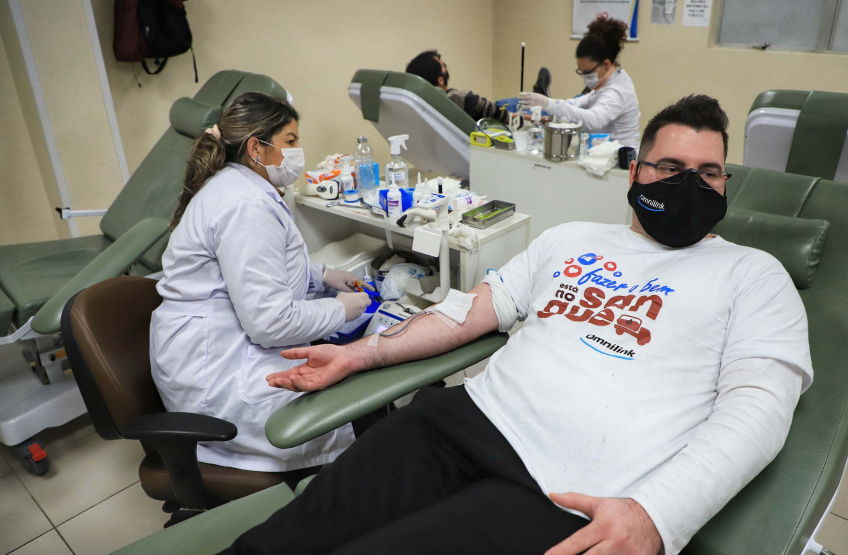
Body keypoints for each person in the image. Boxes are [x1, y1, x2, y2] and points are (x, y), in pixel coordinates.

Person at [222, 95, 811, 554]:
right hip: (460, 422)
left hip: (565, 490)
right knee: (284, 539)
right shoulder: (573, 237)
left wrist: (657, 515)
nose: (691, 183)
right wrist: (364, 353)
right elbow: (470, 309)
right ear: (634, 174)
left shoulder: (753, 275)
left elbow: (758, 411)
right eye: (671, 167)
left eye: (709, 172)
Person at [150, 92, 373, 477]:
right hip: (216, 375)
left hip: (214, 346)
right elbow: (270, 323)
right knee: (354, 393)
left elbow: (258, 273)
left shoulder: (239, 188)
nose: (297, 152)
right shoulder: (245, 205)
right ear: (256, 147)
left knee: (343, 367)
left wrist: (320, 276)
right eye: (290, 141)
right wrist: (342, 310)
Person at [519, 15, 641, 146]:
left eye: (588, 72)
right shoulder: (614, 77)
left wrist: (549, 103)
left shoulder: (617, 91)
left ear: (606, 64)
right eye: (581, 72)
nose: (584, 77)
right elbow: (578, 102)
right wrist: (550, 105)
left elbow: (593, 120)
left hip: (620, 159)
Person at [406, 50, 550, 126]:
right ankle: (540, 97)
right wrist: (542, 119)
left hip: (484, 114)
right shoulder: (462, 98)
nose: (446, 67)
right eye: (443, 65)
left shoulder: (422, 104)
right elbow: (506, 117)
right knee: (510, 105)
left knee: (504, 103)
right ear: (440, 79)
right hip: (494, 120)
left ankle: (537, 95)